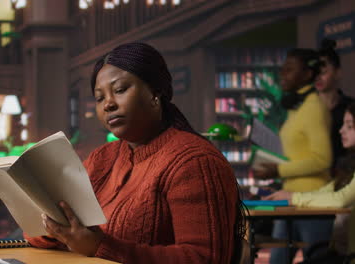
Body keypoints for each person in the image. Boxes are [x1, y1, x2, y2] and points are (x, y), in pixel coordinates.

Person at [24, 42, 246, 264]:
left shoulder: (195, 162)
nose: (108, 104)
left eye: (120, 90)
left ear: (155, 92)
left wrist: (99, 246)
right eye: (100, 98)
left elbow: (205, 259)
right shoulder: (102, 158)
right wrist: (54, 228)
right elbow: (38, 237)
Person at [254, 48, 334, 264]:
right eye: (283, 69)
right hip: (289, 199)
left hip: (313, 202)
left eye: (289, 70)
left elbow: (322, 159)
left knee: (316, 260)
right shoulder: (297, 109)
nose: (283, 74)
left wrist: (278, 169)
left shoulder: (314, 108)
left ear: (307, 74)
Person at [265, 102, 355, 263]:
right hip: (340, 253)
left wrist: (294, 198)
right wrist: (289, 195)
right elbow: (327, 191)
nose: (341, 130)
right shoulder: (348, 168)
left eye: (349, 126)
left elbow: (340, 199)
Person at [316, 38, 353, 171]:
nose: (318, 77)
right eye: (315, 72)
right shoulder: (305, 110)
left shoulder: (350, 107)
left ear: (338, 73)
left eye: (324, 72)